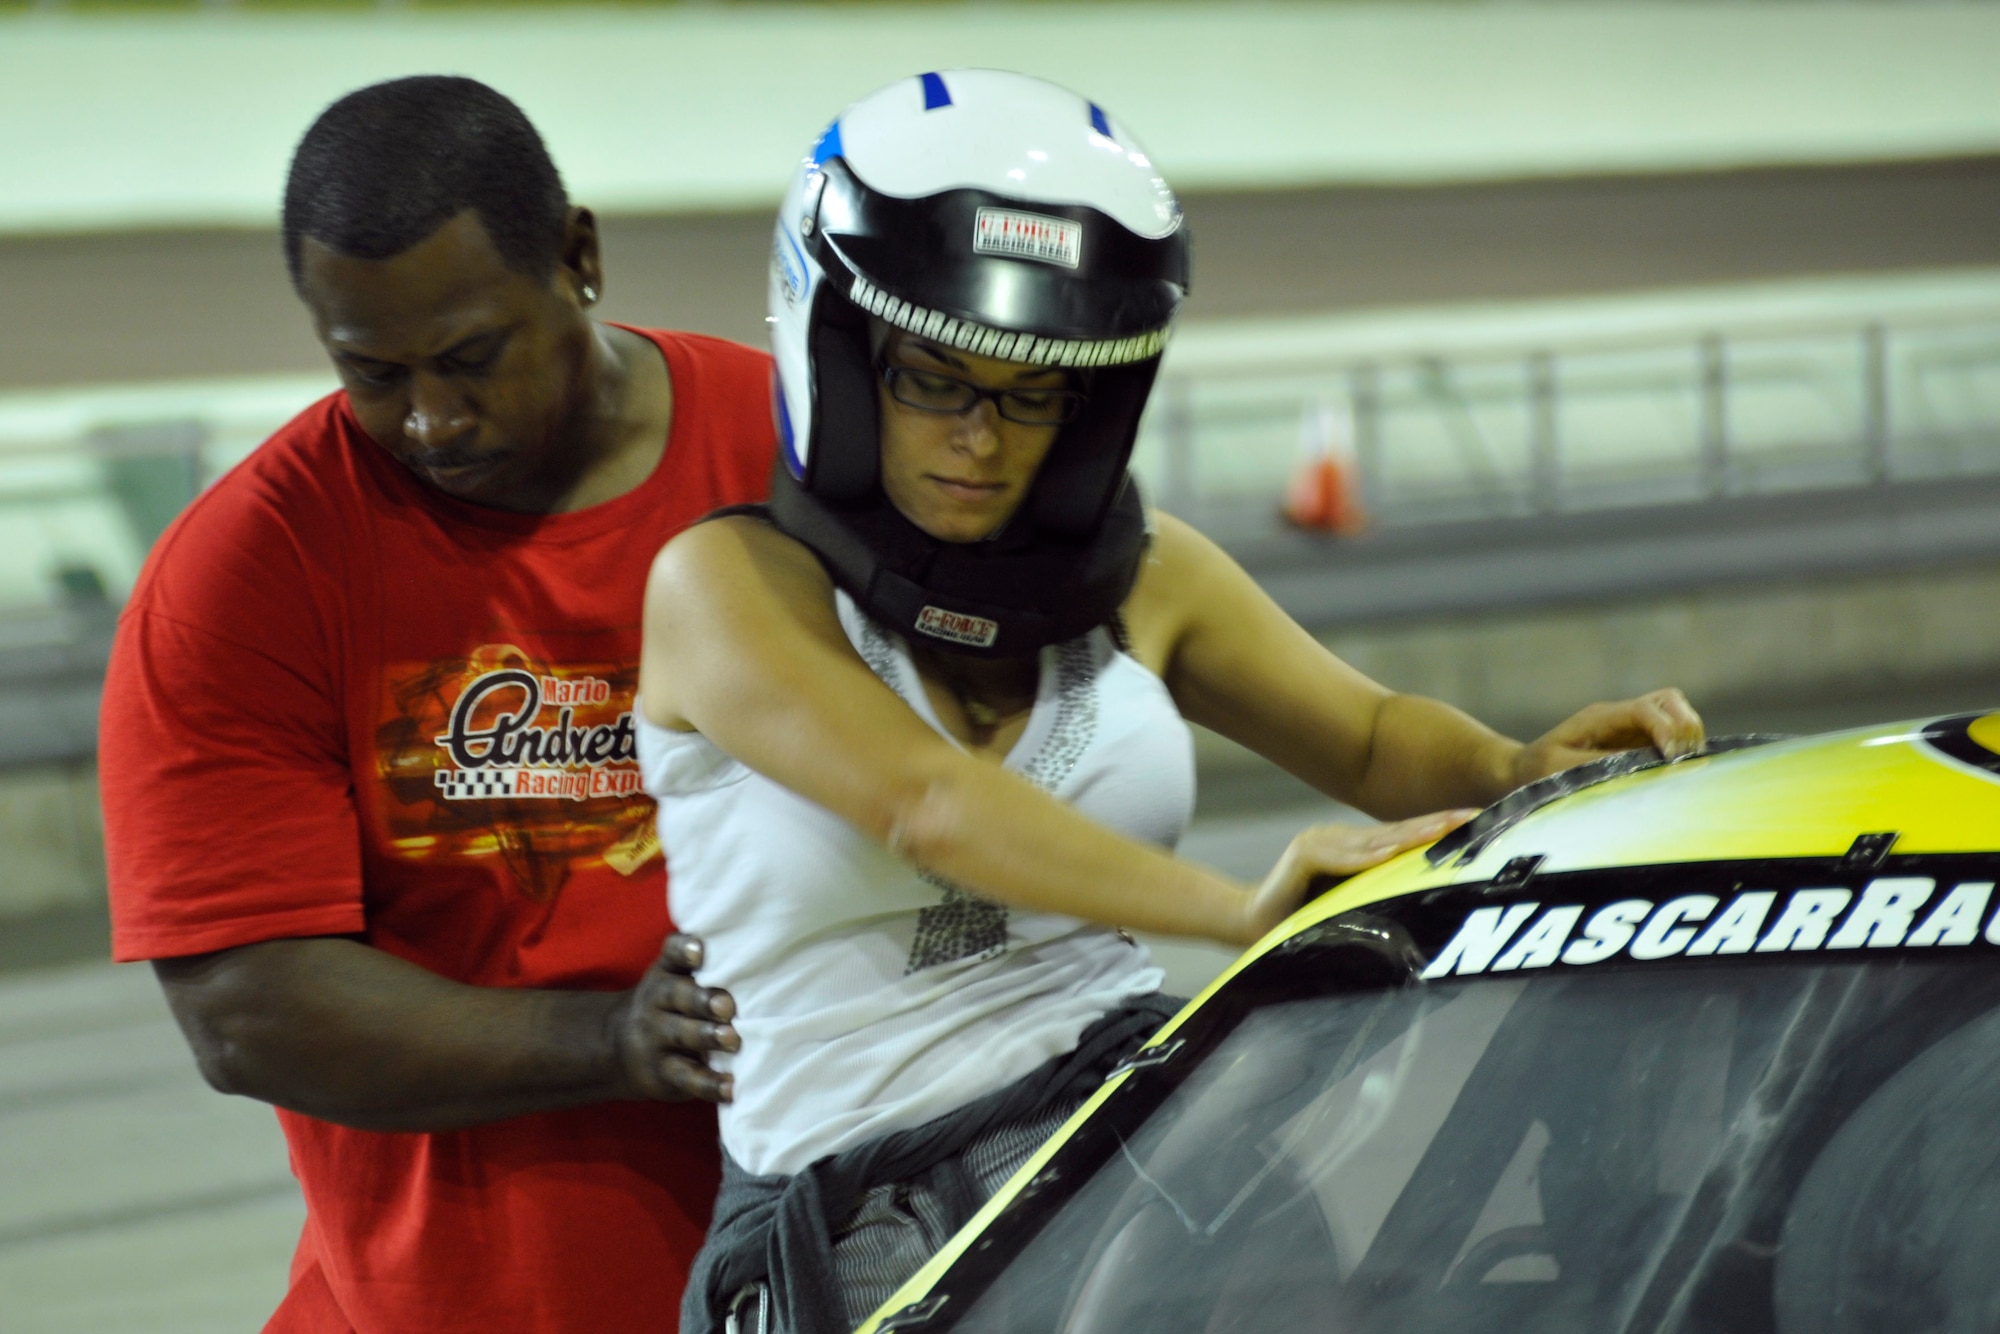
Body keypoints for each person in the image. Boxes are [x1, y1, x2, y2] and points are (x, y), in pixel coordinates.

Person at [638, 70, 1706, 1334]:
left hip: (1151, 1148)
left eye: (1031, 391)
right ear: (838, 347)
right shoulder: (724, 584)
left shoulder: (1149, 576)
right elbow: (924, 801)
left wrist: (1513, 759)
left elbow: (1366, 735)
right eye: (933, 376)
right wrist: (1234, 911)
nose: (980, 437)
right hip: (866, 1220)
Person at [98, 76, 770, 1333]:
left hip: (846, 1270)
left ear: (577, 255)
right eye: (372, 371)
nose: (432, 417)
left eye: (471, 358)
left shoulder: (790, 456)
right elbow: (248, 1011)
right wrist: (617, 1041)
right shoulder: (245, 572)